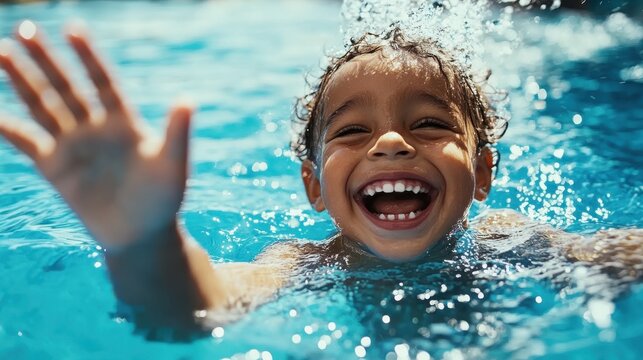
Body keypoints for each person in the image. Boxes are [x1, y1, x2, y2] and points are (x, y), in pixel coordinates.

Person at [0, 20, 640, 334]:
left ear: (480, 173)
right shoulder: (305, 265)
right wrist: (143, 239)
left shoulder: (512, 239)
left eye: (430, 125)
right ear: (314, 186)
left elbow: (617, 255)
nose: (390, 143)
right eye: (353, 131)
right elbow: (196, 308)